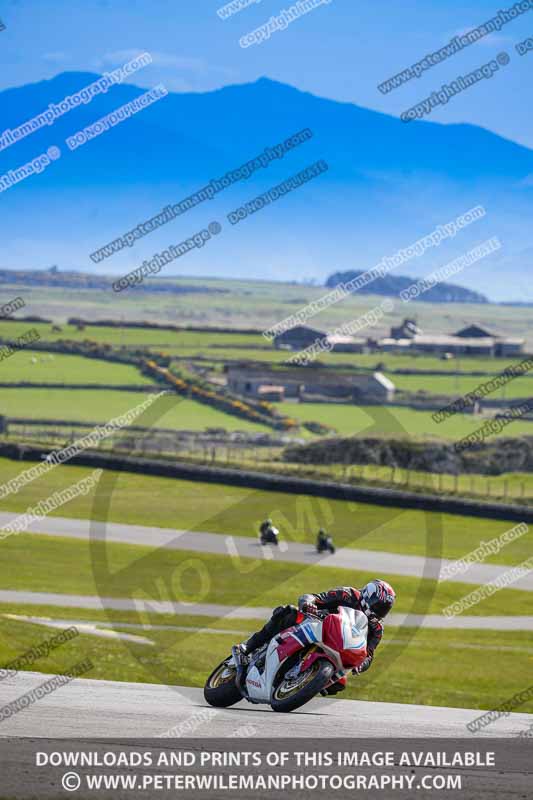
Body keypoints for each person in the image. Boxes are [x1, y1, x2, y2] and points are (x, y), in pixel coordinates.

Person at [232, 580, 396, 694]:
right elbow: (314, 597)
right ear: (368, 595)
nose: (380, 610)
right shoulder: (348, 595)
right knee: (286, 613)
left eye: (385, 608)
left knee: (338, 684)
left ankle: (302, 684)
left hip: (339, 649)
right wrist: (308, 604)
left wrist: (361, 664)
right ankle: (247, 648)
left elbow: (369, 654)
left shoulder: (377, 628)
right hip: (318, 625)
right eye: (379, 605)